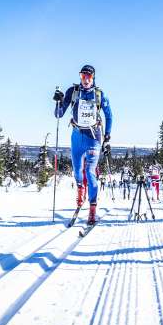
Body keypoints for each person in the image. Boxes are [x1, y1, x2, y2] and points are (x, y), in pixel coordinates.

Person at [53, 64, 113, 225]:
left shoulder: (100, 95)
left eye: (89, 77)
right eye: (83, 76)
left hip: (94, 137)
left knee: (90, 172)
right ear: (80, 77)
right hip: (77, 136)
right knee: (77, 171)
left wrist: (107, 136)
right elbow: (58, 114)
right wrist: (58, 101)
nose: (86, 79)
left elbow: (109, 115)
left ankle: (92, 209)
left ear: (93, 78)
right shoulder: (72, 92)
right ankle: (81, 190)